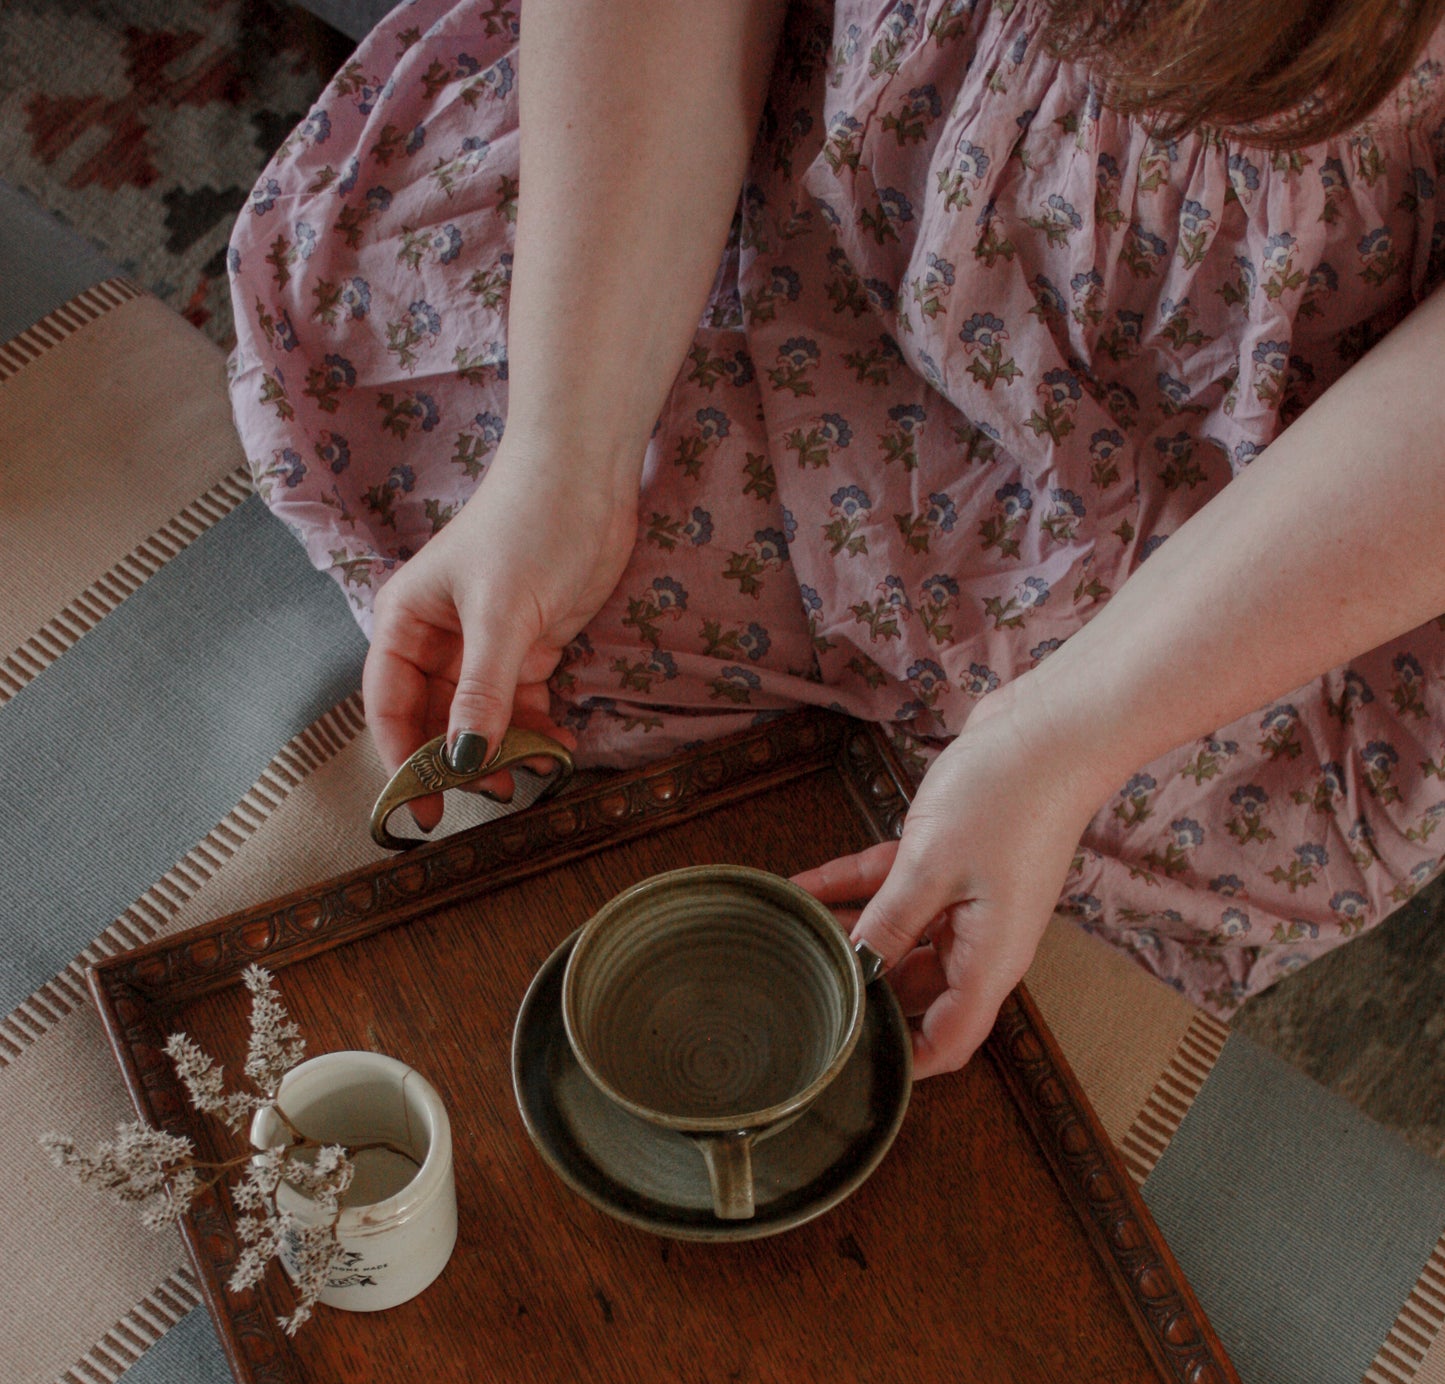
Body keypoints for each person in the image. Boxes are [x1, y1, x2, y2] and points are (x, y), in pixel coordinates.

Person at [228, 0, 1445, 1078]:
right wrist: (564, 457)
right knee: (548, 636)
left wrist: (1065, 735)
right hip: (849, 216)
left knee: (1034, 938)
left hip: (1269, 457)